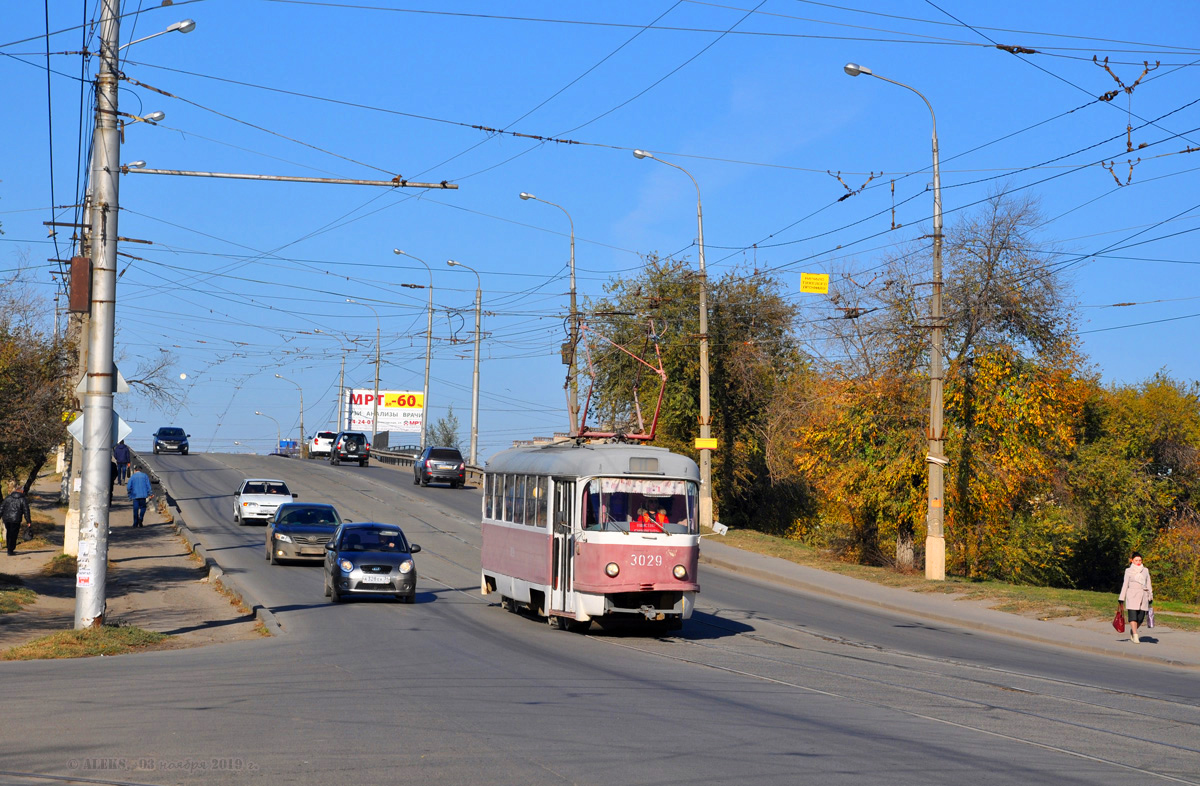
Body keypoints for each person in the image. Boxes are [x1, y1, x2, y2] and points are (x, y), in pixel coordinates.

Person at [1118, 552, 1153, 643]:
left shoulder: (1145, 570)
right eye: (1136, 560)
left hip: (1143, 596)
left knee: (1140, 618)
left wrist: (1150, 596)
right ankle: (1135, 634)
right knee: (1133, 616)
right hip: (1132, 595)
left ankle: (1133, 631)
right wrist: (1121, 598)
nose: (1138, 562)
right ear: (1132, 561)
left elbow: (1148, 584)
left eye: (1140, 560)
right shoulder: (1128, 571)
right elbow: (1125, 584)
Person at [2, 484, 33, 556]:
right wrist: (28, 521)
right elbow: (26, 511)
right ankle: (10, 550)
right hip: (16, 519)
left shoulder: (8, 497)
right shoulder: (23, 499)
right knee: (13, 534)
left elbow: (2, 507)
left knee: (8, 533)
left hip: (6, 519)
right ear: (22, 491)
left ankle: (9, 548)